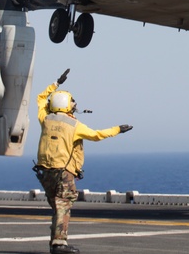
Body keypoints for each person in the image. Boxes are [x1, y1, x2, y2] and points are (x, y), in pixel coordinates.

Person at [34, 69, 132, 254]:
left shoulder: (45, 119)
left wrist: (56, 84)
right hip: (63, 172)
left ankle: (55, 242)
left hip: (44, 172)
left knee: (57, 206)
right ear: (67, 104)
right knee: (63, 205)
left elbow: (40, 99)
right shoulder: (74, 125)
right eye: (71, 102)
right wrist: (118, 129)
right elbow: (96, 135)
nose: (74, 105)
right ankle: (59, 244)